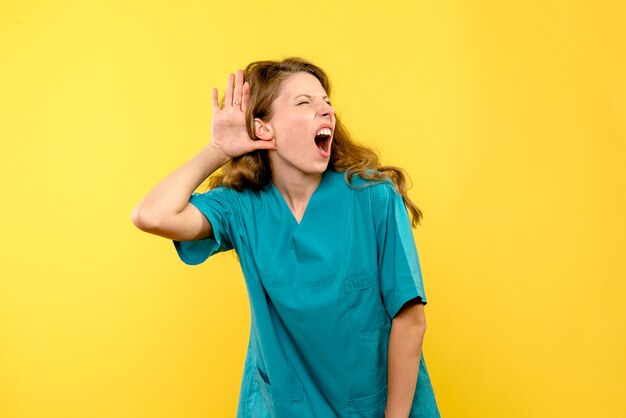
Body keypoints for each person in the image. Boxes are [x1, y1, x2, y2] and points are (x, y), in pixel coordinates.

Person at [131, 57, 440, 418]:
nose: (325, 110)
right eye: (305, 103)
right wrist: (218, 150)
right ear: (264, 130)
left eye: (326, 102)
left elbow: (410, 318)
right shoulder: (243, 208)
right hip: (281, 407)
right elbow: (151, 215)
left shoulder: (373, 197)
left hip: (376, 408)